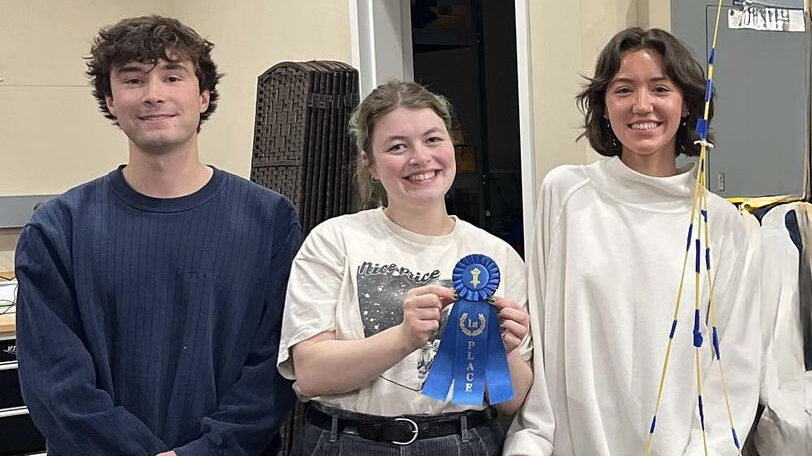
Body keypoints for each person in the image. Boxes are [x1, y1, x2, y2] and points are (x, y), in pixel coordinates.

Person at [14, 16, 299, 456]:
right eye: (133, 80)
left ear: (203, 96)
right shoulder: (57, 229)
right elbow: (56, 385)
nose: (153, 95)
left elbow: (272, 369)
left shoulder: (270, 221)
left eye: (172, 76)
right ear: (110, 100)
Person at [504, 27, 760, 455]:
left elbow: (733, 370)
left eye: (660, 88)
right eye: (624, 89)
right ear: (604, 105)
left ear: (687, 104)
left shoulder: (724, 223)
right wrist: (533, 441)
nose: (642, 105)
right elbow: (544, 343)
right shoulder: (566, 194)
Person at [276, 80, 533, 455]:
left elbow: (512, 401)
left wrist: (505, 350)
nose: (420, 158)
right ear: (370, 163)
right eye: (398, 147)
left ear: (452, 145)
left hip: (463, 441)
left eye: (433, 139)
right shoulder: (333, 241)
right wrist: (404, 337)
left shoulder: (496, 254)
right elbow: (312, 374)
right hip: (345, 441)